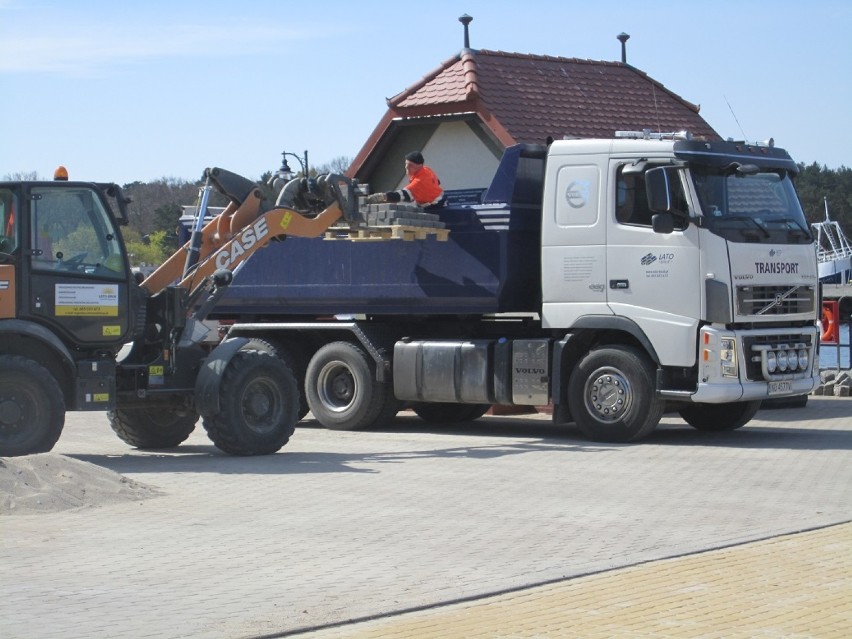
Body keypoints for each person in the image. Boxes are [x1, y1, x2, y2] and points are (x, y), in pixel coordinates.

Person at [366, 151, 445, 209]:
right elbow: (437, 181)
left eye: (410, 165)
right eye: (406, 164)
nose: (406, 167)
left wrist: (382, 196)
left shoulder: (420, 182)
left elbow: (402, 195)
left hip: (434, 206)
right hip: (440, 201)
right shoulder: (426, 170)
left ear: (420, 166)